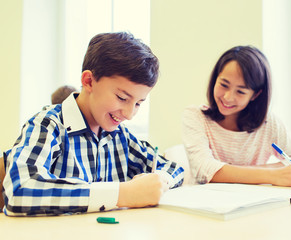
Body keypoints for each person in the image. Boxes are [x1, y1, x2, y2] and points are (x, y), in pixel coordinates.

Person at [2, 32, 184, 216]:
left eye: (138, 103)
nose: (129, 115)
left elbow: (174, 168)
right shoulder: (48, 125)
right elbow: (19, 191)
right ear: (89, 81)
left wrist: (159, 180)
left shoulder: (120, 135)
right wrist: (123, 193)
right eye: (122, 98)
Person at [182, 45, 291, 187]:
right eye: (224, 85)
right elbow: (204, 170)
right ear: (215, 79)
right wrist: (272, 175)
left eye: (241, 92)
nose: (228, 97)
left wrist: (234, 173)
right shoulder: (195, 116)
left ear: (255, 95)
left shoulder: (268, 122)